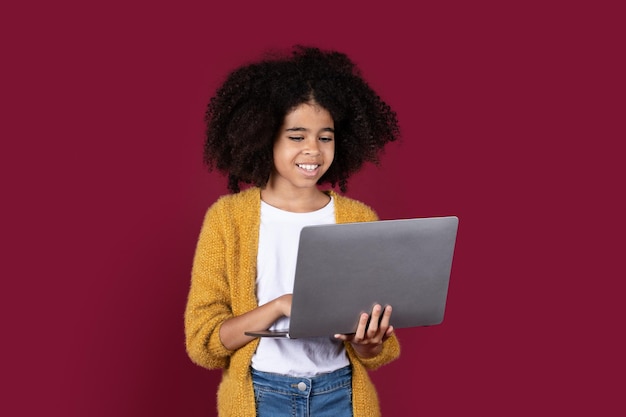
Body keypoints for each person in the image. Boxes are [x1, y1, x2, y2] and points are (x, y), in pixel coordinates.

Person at [185, 45, 401, 417]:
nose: (313, 151)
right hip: (262, 397)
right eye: (297, 136)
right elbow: (204, 341)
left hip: (341, 396)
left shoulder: (358, 218)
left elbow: (375, 351)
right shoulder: (227, 219)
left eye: (325, 136)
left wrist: (367, 342)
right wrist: (281, 306)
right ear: (264, 135)